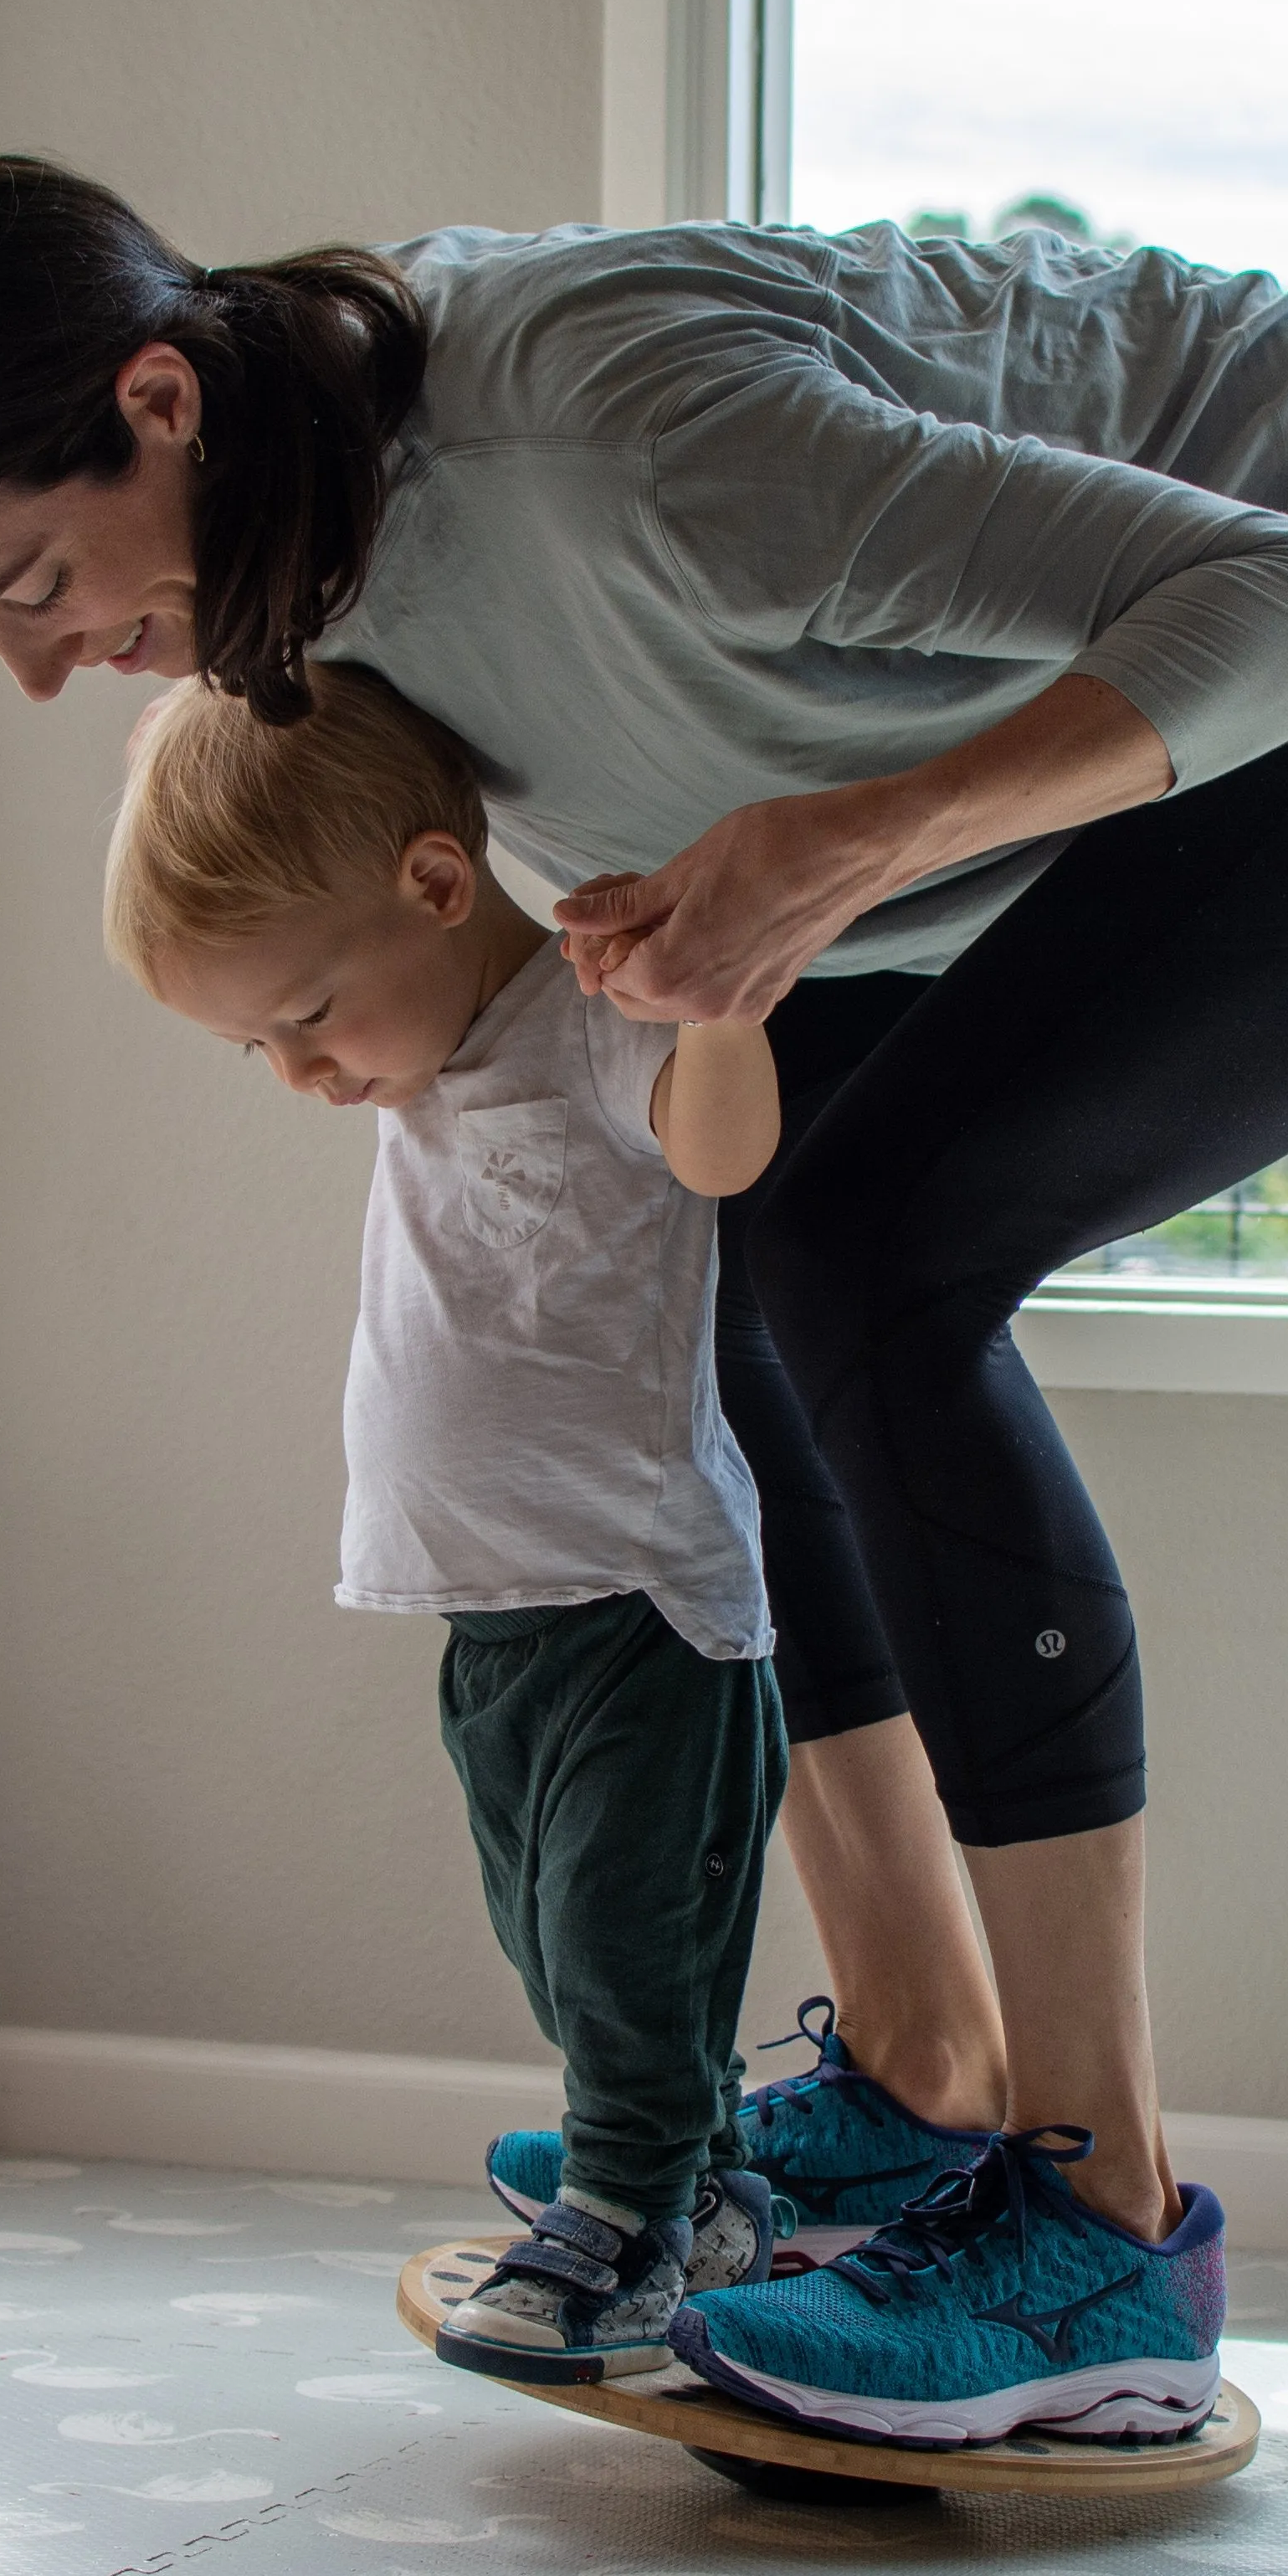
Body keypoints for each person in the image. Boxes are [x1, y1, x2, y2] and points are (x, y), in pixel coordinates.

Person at [0, 160, 1288, 2445]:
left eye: (39, 586)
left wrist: (855, 842)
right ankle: (916, 2071)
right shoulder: (289, 529)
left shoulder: (624, 457)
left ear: (157, 399)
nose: (42, 665)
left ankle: (1105, 2240)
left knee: (878, 1258)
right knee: (750, 1262)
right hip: (1181, 665)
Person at [101, 656, 788, 2383]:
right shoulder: (420, 1063)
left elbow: (718, 1162)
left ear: (433, 885)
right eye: (258, 1043)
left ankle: (627, 2204)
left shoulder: (596, 1012)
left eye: (309, 1019)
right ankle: (691, 2177)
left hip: (641, 1597)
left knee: (624, 1933)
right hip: (489, 1610)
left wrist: (720, 1001)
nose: (302, 1075)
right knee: (554, 1938)